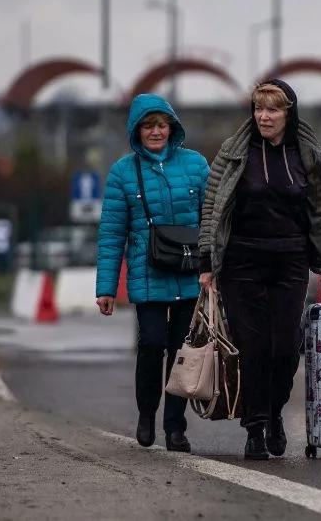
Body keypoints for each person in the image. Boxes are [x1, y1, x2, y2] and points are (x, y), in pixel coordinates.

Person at [198, 79, 321, 460]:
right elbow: (213, 206)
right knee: (253, 348)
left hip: (290, 261)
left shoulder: (307, 155)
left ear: (288, 113)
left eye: (273, 109)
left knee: (284, 348)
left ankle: (274, 412)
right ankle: (254, 426)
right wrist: (208, 263)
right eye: (259, 108)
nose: (263, 116)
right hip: (241, 263)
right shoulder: (233, 153)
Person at [95, 94, 209, 453]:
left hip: (191, 274)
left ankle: (175, 427)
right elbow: (112, 234)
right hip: (148, 275)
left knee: (182, 352)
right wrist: (107, 287)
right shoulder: (122, 172)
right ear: (137, 130)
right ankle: (147, 412)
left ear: (172, 128)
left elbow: (213, 220)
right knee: (152, 343)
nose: (156, 131)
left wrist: (214, 269)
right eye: (148, 125)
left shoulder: (196, 165)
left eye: (161, 125)